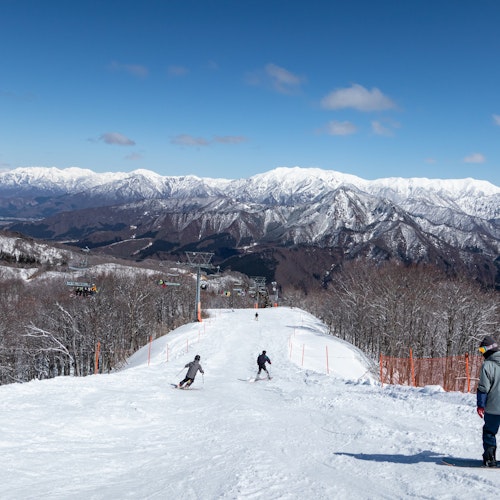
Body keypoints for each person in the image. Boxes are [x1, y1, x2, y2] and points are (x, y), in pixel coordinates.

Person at [476, 336, 500, 467]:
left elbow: (483, 388)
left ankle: (490, 457)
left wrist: (481, 405)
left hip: (493, 407)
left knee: (490, 432)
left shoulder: (487, 365)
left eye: (482, 350)